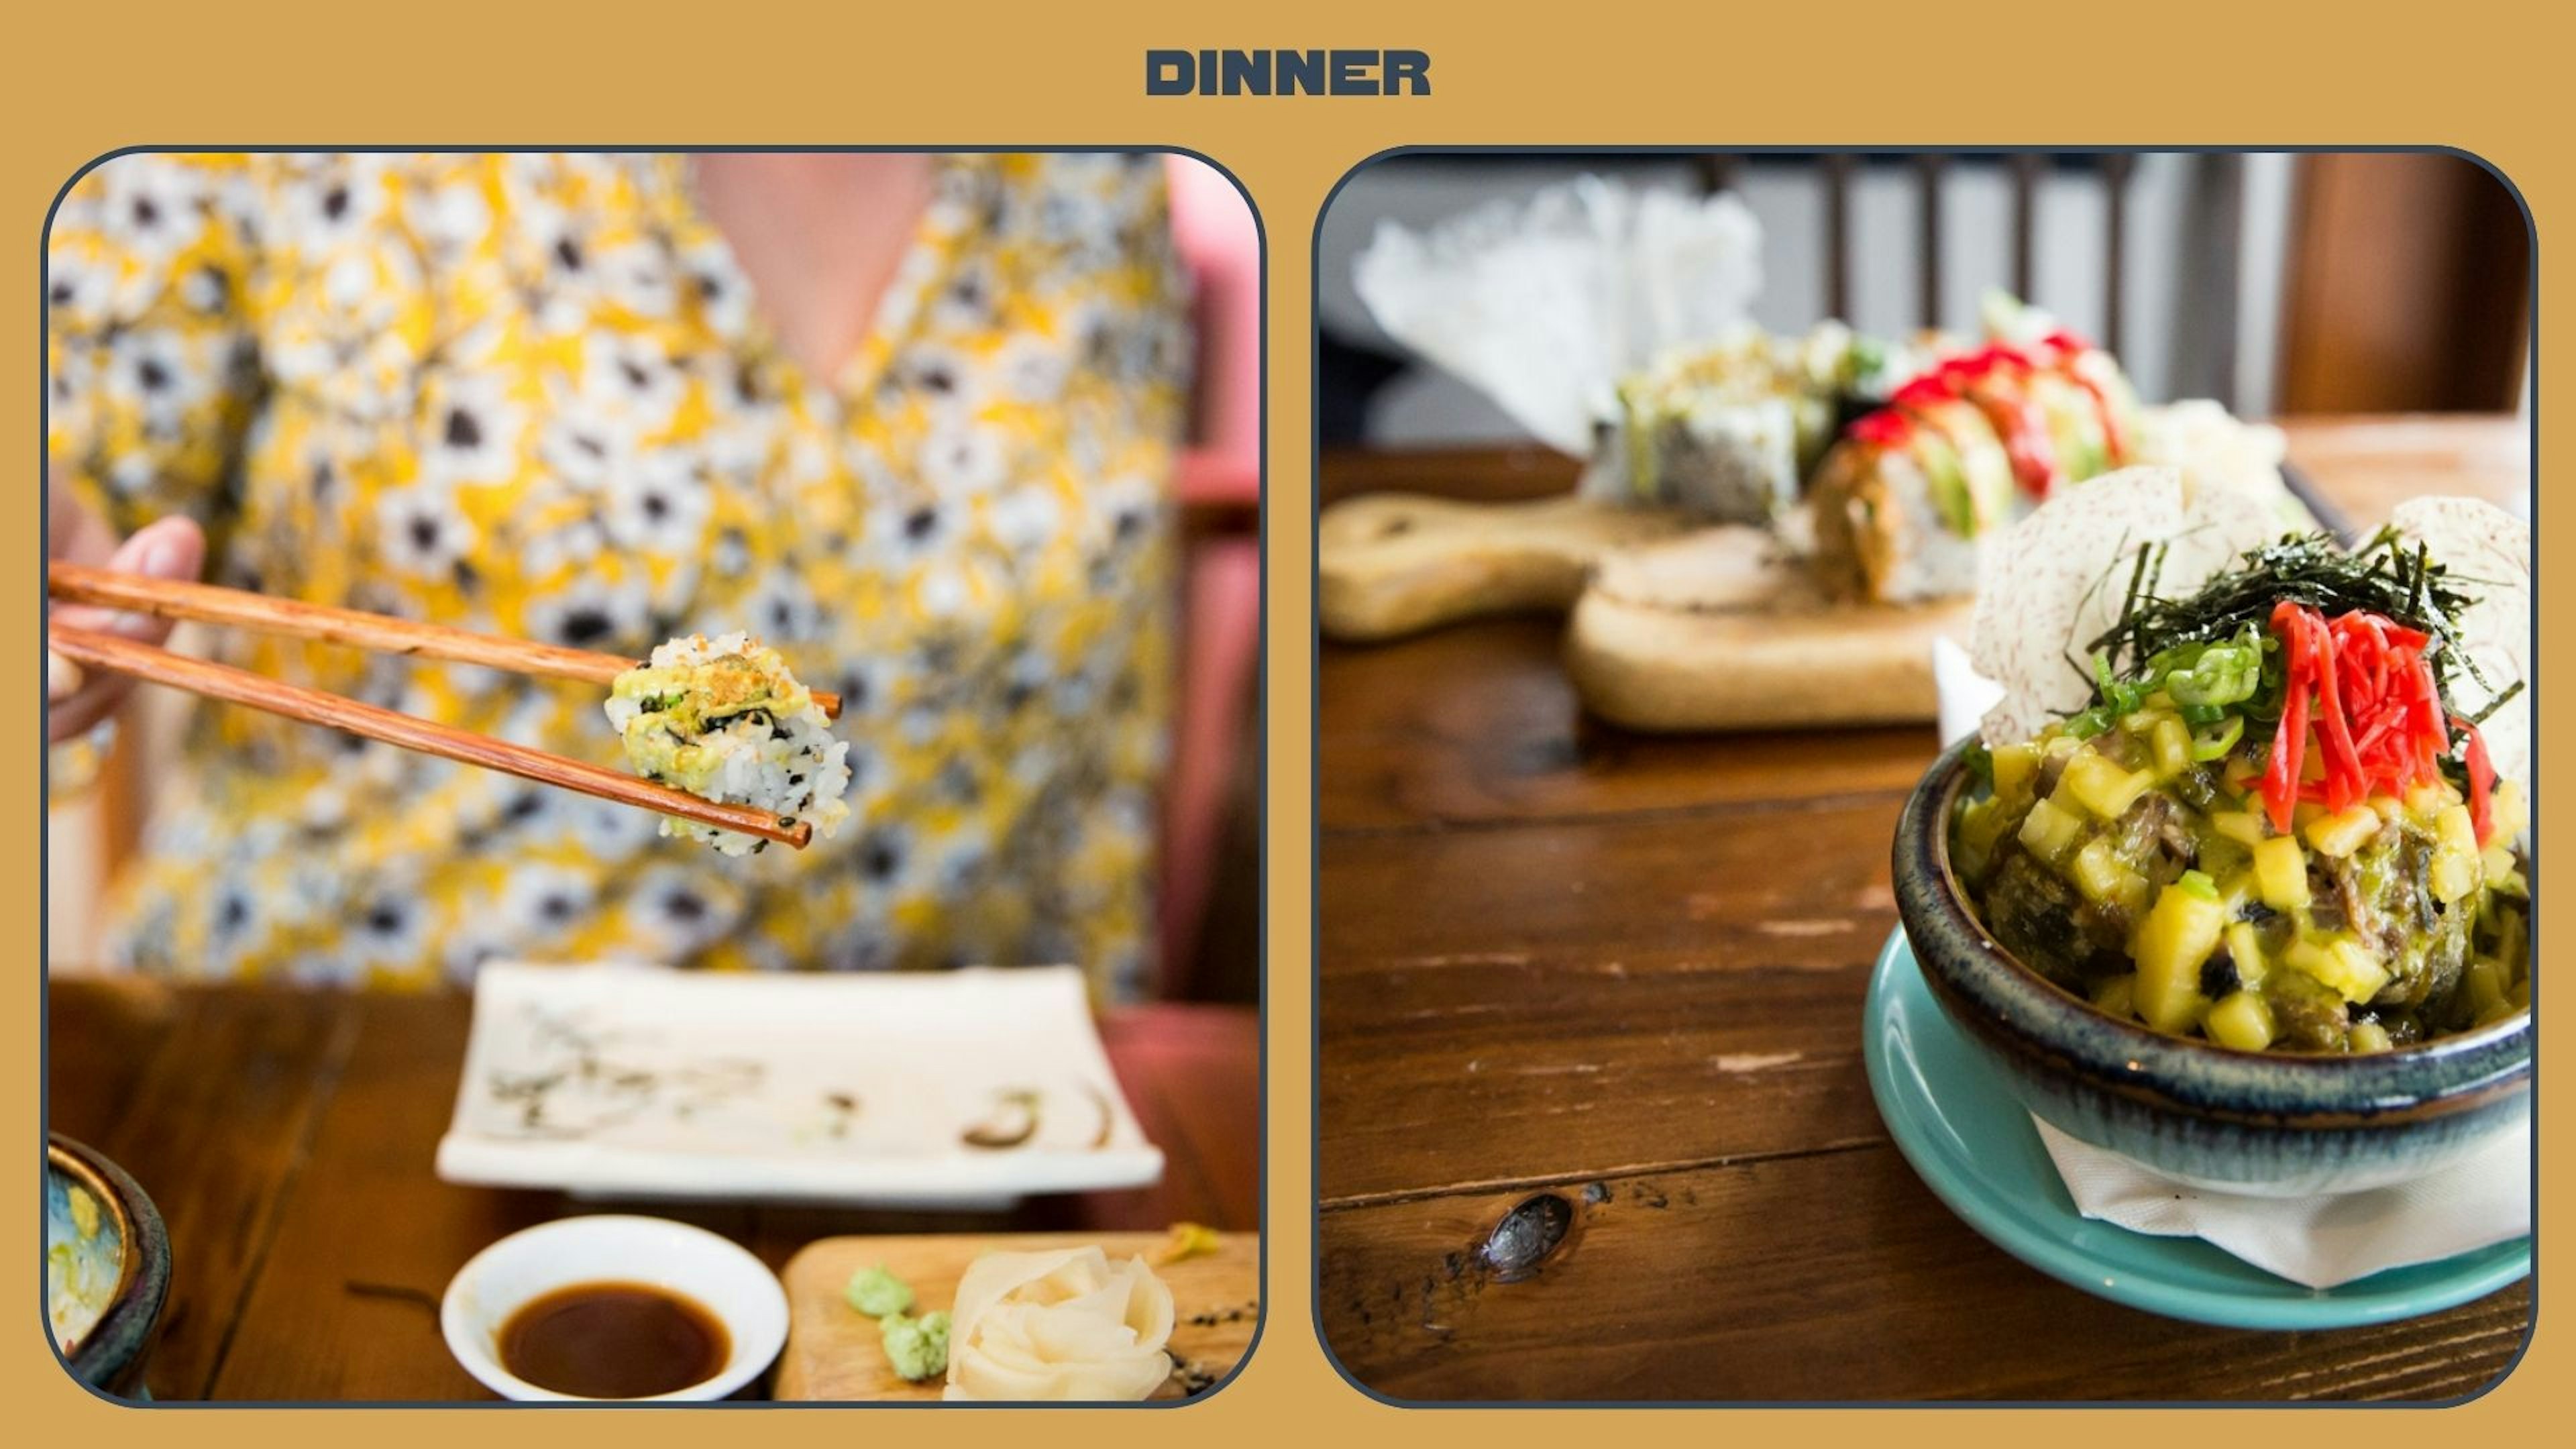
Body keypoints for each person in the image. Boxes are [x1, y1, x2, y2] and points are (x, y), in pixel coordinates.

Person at [46, 151, 1190, 995]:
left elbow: (1116, 723)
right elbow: (73, 481)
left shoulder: (1101, 169)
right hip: (335, 1068)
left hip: (941, 1110)